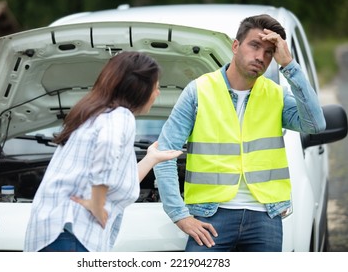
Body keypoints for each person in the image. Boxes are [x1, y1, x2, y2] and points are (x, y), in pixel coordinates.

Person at [153, 14, 326, 252]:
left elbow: (315, 125)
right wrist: (179, 215)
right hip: (211, 217)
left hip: (266, 217)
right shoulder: (198, 91)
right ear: (236, 46)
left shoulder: (277, 94)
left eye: (269, 52)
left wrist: (289, 65)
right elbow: (163, 155)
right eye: (254, 45)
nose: (260, 57)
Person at [24, 51, 183, 252]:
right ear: (140, 89)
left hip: (56, 232)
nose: (158, 93)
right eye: (156, 87)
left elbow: (116, 178)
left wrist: (151, 158)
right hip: (71, 235)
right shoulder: (121, 116)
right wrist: (96, 204)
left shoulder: (94, 114)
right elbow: (107, 148)